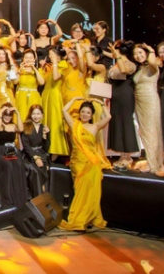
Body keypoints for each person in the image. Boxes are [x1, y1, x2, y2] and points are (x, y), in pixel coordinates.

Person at [60, 98, 112, 231]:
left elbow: (108, 117)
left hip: (91, 162)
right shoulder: (74, 124)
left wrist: (101, 103)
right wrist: (75, 99)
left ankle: (87, 218)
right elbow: (64, 110)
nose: (85, 114)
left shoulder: (95, 127)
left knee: (91, 191)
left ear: (91, 115)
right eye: (83, 112)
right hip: (77, 163)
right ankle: (80, 219)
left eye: (88, 113)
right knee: (80, 192)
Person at [132, 44, 164, 176]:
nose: (138, 56)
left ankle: (154, 165)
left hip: (150, 100)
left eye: (141, 52)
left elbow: (152, 62)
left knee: (152, 131)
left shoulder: (153, 66)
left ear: (146, 53)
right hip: (139, 102)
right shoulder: (140, 68)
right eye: (136, 54)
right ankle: (152, 160)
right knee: (144, 132)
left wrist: (151, 50)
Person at [107, 41, 139, 170]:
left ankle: (128, 155)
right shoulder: (115, 63)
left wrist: (118, 56)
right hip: (115, 95)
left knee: (125, 122)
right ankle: (122, 154)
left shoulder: (130, 64)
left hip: (125, 95)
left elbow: (124, 70)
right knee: (117, 123)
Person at [0, 103, 29, 207]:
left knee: (19, 164)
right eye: (5, 115)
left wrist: (17, 112)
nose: (7, 117)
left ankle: (17, 195)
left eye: (9, 115)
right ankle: (7, 196)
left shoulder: (13, 125)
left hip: (11, 151)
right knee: (8, 166)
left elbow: (21, 129)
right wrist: (1, 112)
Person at [21, 105, 51, 197]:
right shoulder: (25, 126)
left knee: (44, 170)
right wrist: (36, 158)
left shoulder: (44, 127)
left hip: (42, 154)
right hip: (29, 155)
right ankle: (38, 197)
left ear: (42, 115)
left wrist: (46, 135)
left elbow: (46, 148)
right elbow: (26, 146)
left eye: (38, 114)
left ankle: (43, 197)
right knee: (36, 171)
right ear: (30, 115)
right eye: (33, 114)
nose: (36, 116)